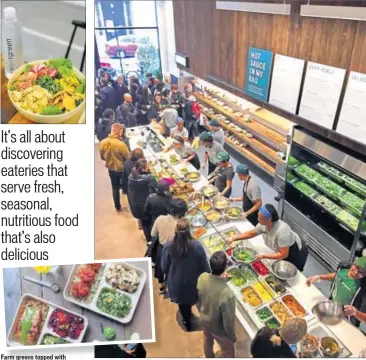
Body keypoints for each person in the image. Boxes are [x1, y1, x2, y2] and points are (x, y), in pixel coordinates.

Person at [162, 218, 210, 331]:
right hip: (193, 282)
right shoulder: (196, 246)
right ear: (190, 231)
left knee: (182, 304)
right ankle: (188, 313)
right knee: (190, 300)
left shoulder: (168, 246)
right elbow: (205, 268)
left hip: (176, 282)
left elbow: (164, 266)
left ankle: (186, 320)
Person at [226, 204, 308, 271]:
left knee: (294, 270)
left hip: (294, 251)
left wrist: (264, 256)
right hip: (282, 249)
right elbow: (251, 234)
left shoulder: (282, 230)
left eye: (260, 218)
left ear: (269, 220)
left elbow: (284, 254)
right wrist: (234, 238)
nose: (258, 220)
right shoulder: (263, 225)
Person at [307, 256, 366, 327]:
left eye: (361, 272)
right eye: (356, 267)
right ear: (353, 262)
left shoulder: (363, 288)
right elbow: (338, 275)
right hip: (332, 306)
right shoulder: (344, 267)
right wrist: (320, 277)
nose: (356, 272)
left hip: (346, 320)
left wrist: (355, 312)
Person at [197, 251, 236, 358]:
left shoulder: (202, 277)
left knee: (207, 341)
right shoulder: (227, 295)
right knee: (228, 351)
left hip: (205, 319)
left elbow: (204, 295)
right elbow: (228, 320)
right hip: (218, 329)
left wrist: (223, 279)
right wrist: (232, 336)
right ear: (225, 267)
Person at [148, 199, 188, 294]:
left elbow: (153, 234)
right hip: (175, 251)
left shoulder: (160, 218)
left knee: (160, 268)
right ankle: (172, 287)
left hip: (161, 249)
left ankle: (161, 287)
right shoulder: (180, 225)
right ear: (180, 213)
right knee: (173, 270)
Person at [100, 123, 130, 213]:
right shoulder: (121, 144)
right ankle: (129, 202)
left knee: (115, 187)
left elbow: (102, 157)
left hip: (111, 168)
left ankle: (117, 207)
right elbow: (128, 157)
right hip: (121, 168)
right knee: (126, 186)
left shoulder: (103, 142)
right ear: (119, 132)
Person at [128, 159, 158, 241]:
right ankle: (151, 240)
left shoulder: (131, 176)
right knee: (148, 223)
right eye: (147, 166)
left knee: (142, 220)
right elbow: (157, 186)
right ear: (143, 169)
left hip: (135, 202)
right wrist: (171, 180)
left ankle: (147, 237)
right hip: (144, 204)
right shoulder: (148, 178)